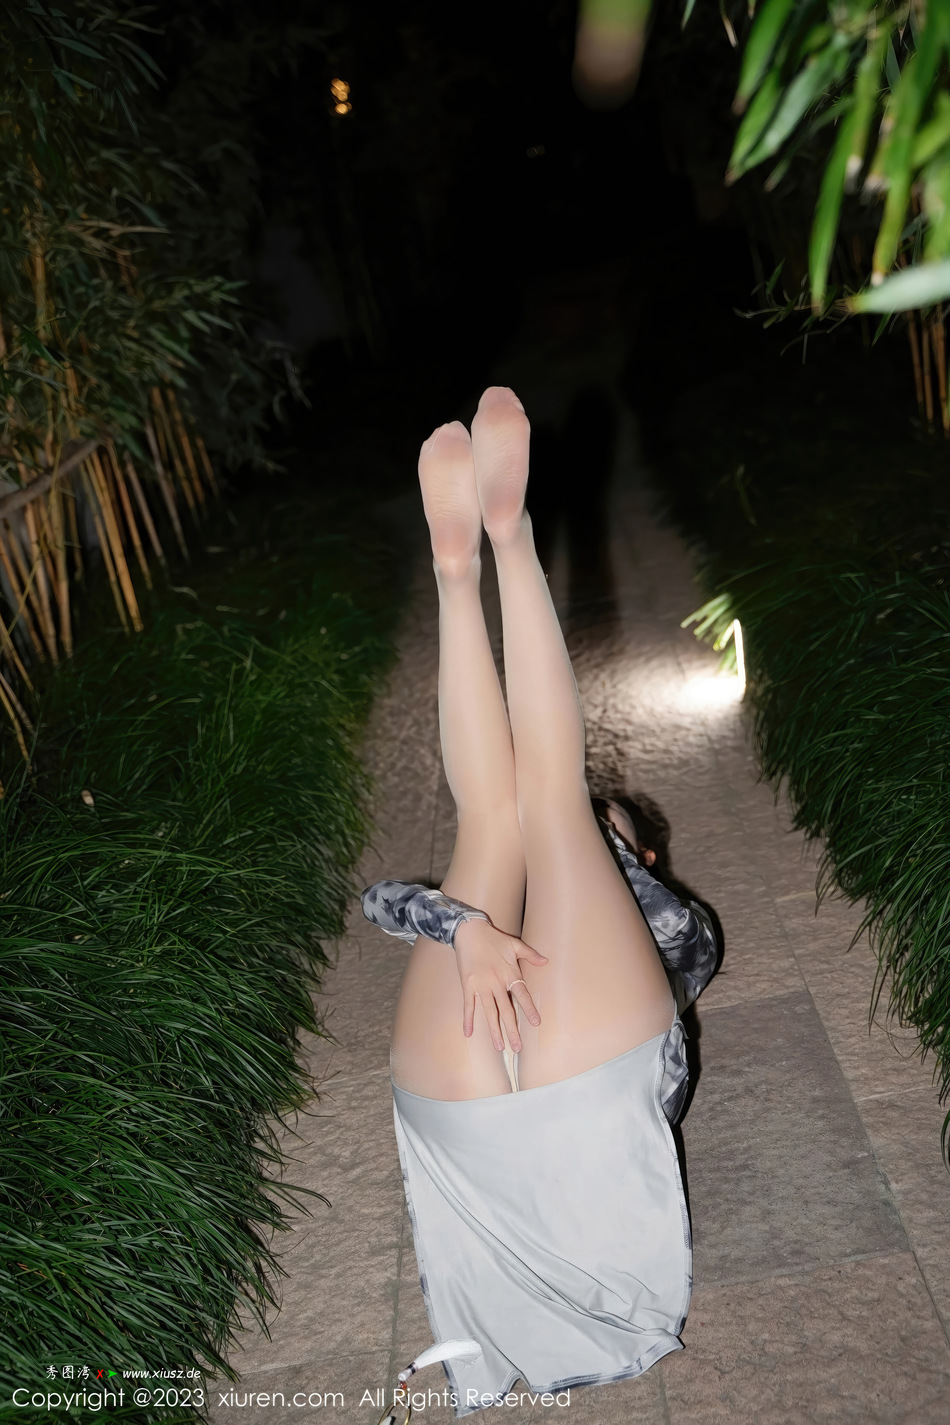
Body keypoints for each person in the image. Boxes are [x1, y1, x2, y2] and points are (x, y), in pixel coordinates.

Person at [360, 387, 718, 1418]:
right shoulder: (671, 928)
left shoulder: (657, 915)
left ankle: (469, 564)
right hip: (539, 1109)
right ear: (642, 858)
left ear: (640, 854)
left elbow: (381, 901)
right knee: (538, 806)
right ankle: (495, 543)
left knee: (509, 815)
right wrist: (576, 865)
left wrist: (468, 926)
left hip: (504, 1080)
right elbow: (671, 938)